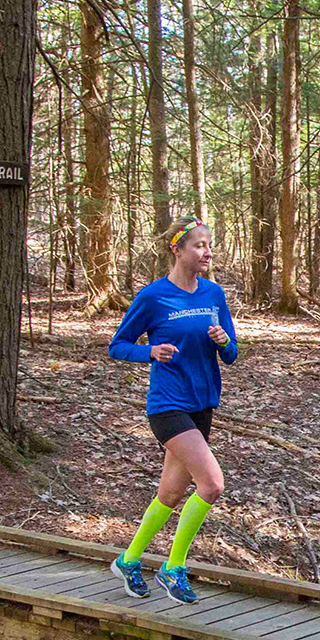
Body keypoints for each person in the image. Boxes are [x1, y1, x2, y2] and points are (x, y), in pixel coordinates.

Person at [105, 218, 239, 604]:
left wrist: (224, 340)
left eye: (209, 245)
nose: (207, 252)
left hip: (203, 403)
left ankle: (129, 559)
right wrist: (150, 351)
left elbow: (231, 355)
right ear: (177, 250)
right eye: (198, 245)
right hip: (168, 405)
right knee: (212, 484)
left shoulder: (213, 294)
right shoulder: (153, 296)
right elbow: (118, 346)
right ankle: (173, 566)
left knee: (170, 491)